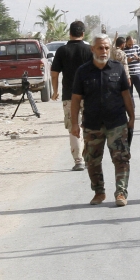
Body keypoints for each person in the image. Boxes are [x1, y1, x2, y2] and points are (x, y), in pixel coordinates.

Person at [70, 34, 136, 207]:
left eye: (107, 48)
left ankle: (121, 193)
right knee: (92, 160)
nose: (104, 51)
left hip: (117, 122)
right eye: (100, 47)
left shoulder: (118, 68)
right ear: (92, 49)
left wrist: (132, 116)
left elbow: (126, 95)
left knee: (121, 158)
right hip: (92, 124)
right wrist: (75, 124)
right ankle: (99, 192)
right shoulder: (83, 71)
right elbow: (76, 99)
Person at [51, 20, 93, 170]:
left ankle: (78, 161)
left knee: (73, 128)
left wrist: (55, 91)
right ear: (83, 34)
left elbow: (54, 73)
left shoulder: (62, 51)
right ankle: (88, 157)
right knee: (90, 127)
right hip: (89, 96)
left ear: (69, 33)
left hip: (69, 96)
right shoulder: (89, 50)